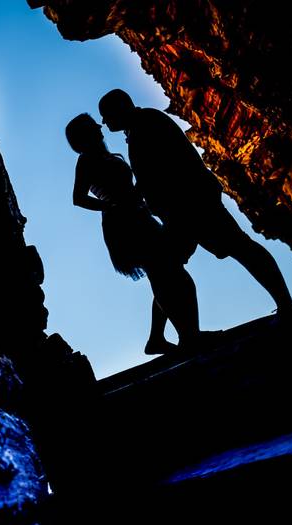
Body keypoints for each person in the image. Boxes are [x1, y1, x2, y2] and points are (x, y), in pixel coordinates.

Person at [97, 89, 292, 341]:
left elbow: (162, 171)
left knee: (233, 249)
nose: (105, 122)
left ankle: (284, 304)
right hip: (182, 210)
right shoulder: (142, 126)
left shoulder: (147, 125)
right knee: (171, 267)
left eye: (106, 115)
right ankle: (164, 337)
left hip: (190, 207)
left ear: (120, 108)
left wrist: (135, 200)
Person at [66, 112, 204, 352]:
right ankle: (188, 336)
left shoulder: (106, 157)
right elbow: (78, 199)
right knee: (169, 274)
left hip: (138, 217)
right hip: (126, 224)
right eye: (92, 126)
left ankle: (166, 338)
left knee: (167, 275)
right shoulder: (87, 160)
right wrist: (110, 205)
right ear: (85, 135)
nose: (100, 127)